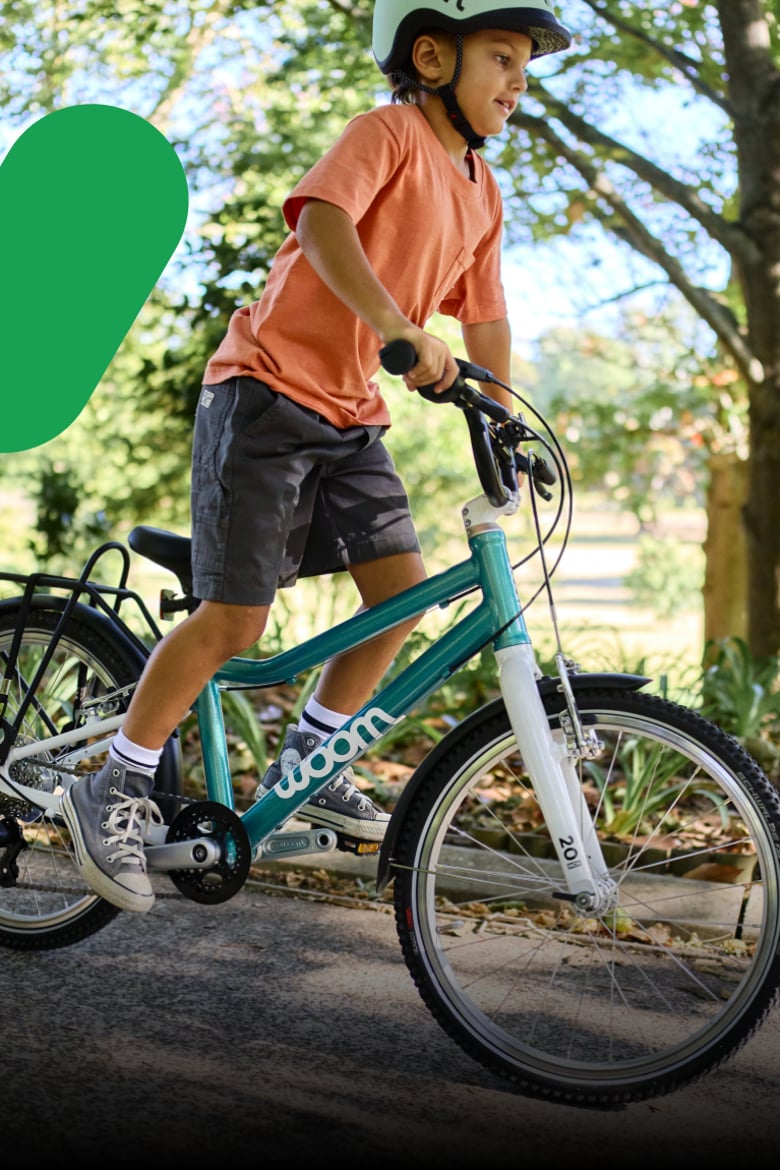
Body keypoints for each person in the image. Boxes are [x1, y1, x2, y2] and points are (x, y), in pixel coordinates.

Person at [62, 0, 571, 914]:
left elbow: (486, 315)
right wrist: (397, 327)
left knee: (401, 594)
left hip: (350, 420)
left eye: (525, 62)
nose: (519, 80)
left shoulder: (481, 191)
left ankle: (315, 756)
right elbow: (323, 222)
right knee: (234, 622)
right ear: (431, 54)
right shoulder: (388, 133)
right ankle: (115, 783)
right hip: (263, 394)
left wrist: (502, 414)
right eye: (502, 56)